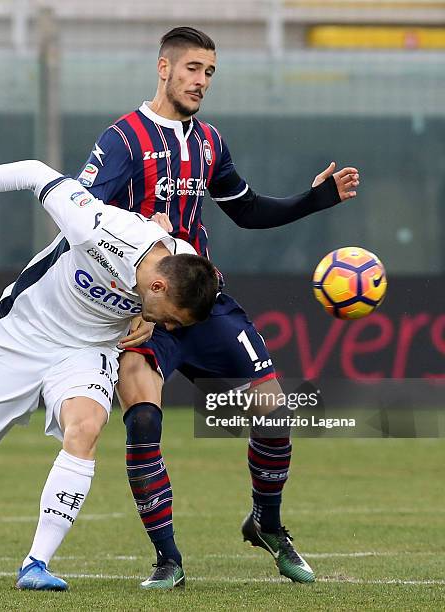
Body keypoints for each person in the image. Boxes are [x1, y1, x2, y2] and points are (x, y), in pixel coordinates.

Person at [76, 26, 360, 588]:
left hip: (207, 302)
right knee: (143, 417)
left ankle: (268, 525)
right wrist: (128, 275)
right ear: (164, 68)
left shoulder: (209, 141)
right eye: (192, 69)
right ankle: (168, 559)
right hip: (147, 310)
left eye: (209, 72)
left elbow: (248, 210)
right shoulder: (123, 140)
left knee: (275, 413)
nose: (201, 81)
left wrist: (316, 199)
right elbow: (80, 215)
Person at [0, 159, 218, 591]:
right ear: (159, 288)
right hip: (22, 337)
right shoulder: (98, 228)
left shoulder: (182, 268)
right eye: (172, 320)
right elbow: (35, 172)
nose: (171, 329)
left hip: (87, 351)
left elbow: (192, 268)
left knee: (86, 428)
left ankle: (35, 563)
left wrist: (149, 316)